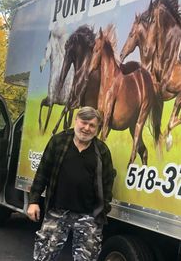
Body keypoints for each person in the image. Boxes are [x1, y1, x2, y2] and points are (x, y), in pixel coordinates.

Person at [27, 106, 116, 261]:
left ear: (97, 128)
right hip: (57, 211)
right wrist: (33, 201)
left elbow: (108, 183)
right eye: (84, 122)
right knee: (44, 256)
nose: (86, 128)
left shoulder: (101, 151)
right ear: (76, 121)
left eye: (92, 125)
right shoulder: (59, 141)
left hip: (88, 216)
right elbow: (43, 172)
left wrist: (102, 210)